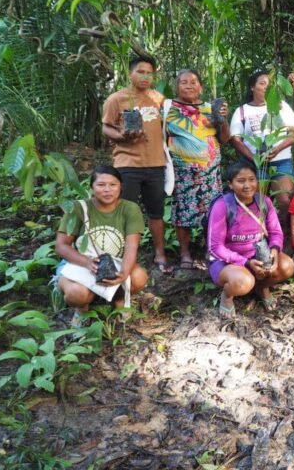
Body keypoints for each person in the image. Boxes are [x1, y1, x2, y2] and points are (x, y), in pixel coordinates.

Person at [102, 55, 173, 274]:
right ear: (130, 74)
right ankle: (121, 255)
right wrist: (123, 136)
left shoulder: (159, 99)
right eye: (140, 72)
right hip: (127, 163)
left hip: (155, 163)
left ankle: (160, 253)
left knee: (156, 212)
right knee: (126, 211)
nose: (145, 76)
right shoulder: (117, 99)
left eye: (149, 72)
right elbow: (106, 128)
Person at [53, 166, 149, 326]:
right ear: (91, 188)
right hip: (80, 263)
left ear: (121, 187)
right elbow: (61, 246)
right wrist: (87, 263)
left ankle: (119, 301)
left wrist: (124, 273)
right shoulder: (79, 208)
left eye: (113, 185)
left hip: (116, 262)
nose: (107, 190)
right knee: (77, 294)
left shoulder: (130, 209)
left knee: (139, 277)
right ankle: (82, 310)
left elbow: (132, 246)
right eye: (101, 185)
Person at [207, 162, 294, 317]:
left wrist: (273, 253)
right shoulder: (223, 205)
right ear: (231, 184)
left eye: (251, 179)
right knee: (244, 282)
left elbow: (276, 232)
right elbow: (215, 247)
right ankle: (227, 296)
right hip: (228, 262)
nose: (247, 185)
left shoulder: (264, 201)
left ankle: (262, 287)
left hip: (259, 257)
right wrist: (246, 262)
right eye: (241, 181)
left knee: (287, 266)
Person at [164, 69, 230, 270]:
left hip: (210, 172)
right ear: (177, 87)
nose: (189, 85)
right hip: (183, 171)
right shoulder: (168, 109)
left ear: (201, 87)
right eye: (184, 82)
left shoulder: (211, 108)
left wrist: (223, 120)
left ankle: (209, 248)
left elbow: (225, 139)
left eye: (194, 82)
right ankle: (184, 252)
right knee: (182, 211)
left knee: (213, 211)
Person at [229, 69, 294, 229]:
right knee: (256, 202)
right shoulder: (242, 111)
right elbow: (236, 139)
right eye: (262, 83)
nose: (266, 87)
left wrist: (278, 147)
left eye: (269, 84)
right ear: (252, 87)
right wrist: (253, 156)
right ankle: (258, 235)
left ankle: (284, 235)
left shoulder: (281, 107)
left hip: (280, 161)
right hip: (254, 165)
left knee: (286, 201)